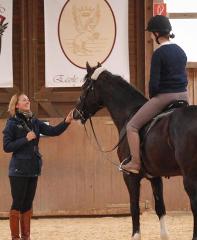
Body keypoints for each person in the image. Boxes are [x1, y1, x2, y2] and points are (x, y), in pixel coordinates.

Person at [122, 15, 188, 174]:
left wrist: (153, 97)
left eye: (151, 33)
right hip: (184, 96)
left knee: (131, 126)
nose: (151, 36)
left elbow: (154, 83)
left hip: (166, 96)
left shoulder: (159, 54)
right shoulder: (181, 51)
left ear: (157, 33)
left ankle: (135, 163)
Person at [3, 93, 74, 240]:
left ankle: (26, 237)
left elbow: (53, 131)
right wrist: (25, 139)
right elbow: (7, 147)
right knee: (17, 203)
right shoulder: (11, 123)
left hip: (33, 169)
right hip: (18, 170)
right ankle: (15, 237)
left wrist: (66, 122)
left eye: (28, 99)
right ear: (16, 105)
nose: (28, 101)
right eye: (24, 100)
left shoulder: (34, 121)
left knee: (28, 204)